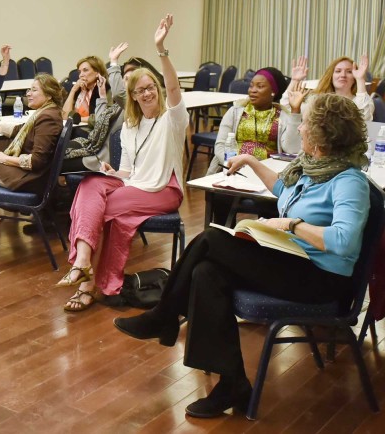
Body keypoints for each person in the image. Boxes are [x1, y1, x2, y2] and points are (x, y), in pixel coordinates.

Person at [114, 93, 370, 419]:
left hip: (320, 279)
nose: (300, 127)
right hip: (292, 261)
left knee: (208, 239)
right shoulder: (312, 168)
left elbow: (345, 242)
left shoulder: (349, 181)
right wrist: (250, 161)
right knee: (206, 273)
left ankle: (164, 316)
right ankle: (232, 382)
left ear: (322, 138)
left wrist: (292, 223)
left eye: (306, 123)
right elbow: (282, 190)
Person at [59, 14, 187, 312]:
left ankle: (86, 282)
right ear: (132, 96)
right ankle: (88, 269)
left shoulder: (173, 119)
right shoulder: (130, 125)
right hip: (135, 183)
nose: (146, 93)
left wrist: (161, 48)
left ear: (157, 88)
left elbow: (174, 90)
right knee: (90, 185)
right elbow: (128, 171)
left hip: (163, 188)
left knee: (99, 209)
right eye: (139, 90)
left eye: (150, 87)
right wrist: (112, 172)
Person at [0, 73, 64, 240]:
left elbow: (36, 161)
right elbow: (18, 131)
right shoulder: (45, 112)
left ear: (48, 94)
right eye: (29, 90)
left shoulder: (48, 117)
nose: (28, 93)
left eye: (33, 90)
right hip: (26, 174)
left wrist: (5, 158)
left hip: (29, 179)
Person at [207, 67, 298, 174]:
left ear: (273, 91)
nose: (253, 90)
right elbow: (220, 145)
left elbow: (291, 149)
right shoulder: (235, 112)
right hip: (232, 171)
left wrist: (295, 112)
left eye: (260, 86)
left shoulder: (282, 116)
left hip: (267, 174)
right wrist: (232, 164)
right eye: (251, 86)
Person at [286, 55, 374, 121]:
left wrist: (360, 79)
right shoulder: (318, 101)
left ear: (354, 78)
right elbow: (286, 108)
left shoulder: (362, 102)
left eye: (349, 72)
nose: (343, 75)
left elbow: (364, 120)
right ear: (331, 77)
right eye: (338, 71)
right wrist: (294, 80)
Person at [62, 55, 108, 123]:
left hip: (91, 131)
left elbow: (101, 118)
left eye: (85, 70)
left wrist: (77, 119)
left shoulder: (106, 89)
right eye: (79, 72)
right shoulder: (79, 90)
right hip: (75, 128)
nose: (81, 75)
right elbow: (65, 116)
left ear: (97, 72)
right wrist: (73, 90)